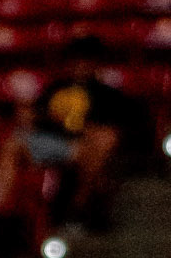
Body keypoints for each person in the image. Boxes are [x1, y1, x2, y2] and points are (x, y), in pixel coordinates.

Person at [25, 35, 134, 231]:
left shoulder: (106, 94)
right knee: (12, 145)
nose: (79, 65)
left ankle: (77, 209)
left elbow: (113, 129)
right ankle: (1, 215)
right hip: (50, 141)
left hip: (84, 146)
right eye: (75, 60)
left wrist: (82, 132)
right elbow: (34, 118)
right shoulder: (56, 88)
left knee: (101, 144)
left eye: (85, 60)